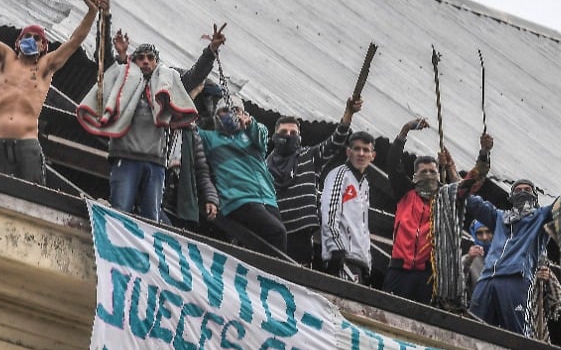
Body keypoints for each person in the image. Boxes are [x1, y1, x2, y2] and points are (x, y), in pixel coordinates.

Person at [0, 0, 104, 184]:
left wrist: (92, 12)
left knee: (34, 191)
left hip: (27, 141)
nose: (31, 40)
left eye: (36, 38)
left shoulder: (46, 66)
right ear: (18, 42)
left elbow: (75, 41)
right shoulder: (6, 58)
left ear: (43, 46)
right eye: (27, 36)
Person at [77, 28, 225, 221]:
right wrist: (120, 55)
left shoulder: (167, 85)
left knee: (151, 221)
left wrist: (211, 50)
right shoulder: (122, 81)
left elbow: (195, 76)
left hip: (156, 164)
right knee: (119, 212)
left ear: (156, 62)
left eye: (150, 58)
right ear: (134, 61)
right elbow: (106, 65)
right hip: (125, 158)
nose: (146, 61)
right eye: (141, 58)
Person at [381, 119, 492, 304]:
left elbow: (473, 180)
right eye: (423, 172)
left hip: (429, 275)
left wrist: (484, 152)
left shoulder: (446, 198)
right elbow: (393, 163)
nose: (429, 176)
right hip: (398, 271)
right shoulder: (406, 193)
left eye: (432, 172)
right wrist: (405, 129)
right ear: (415, 176)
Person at [266, 98, 360, 266]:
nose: (288, 136)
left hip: (301, 233)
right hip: (274, 233)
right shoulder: (265, 165)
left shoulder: (309, 156)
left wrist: (349, 113)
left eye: (293, 133)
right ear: (275, 136)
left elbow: (336, 141)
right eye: (284, 132)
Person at [197, 96, 287, 253]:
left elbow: (262, 134)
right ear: (217, 115)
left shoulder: (253, 136)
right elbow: (190, 129)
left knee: (272, 242)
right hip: (240, 199)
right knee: (277, 233)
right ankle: (275, 276)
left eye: (235, 110)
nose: (230, 114)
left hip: (268, 199)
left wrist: (250, 123)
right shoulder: (210, 138)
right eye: (224, 111)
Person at [465, 178, 555, 333]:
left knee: (516, 332)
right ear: (511, 197)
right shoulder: (499, 217)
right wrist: (453, 173)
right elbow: (473, 202)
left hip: (515, 278)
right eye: (518, 190)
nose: (522, 193)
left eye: (527, 190)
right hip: (487, 278)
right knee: (473, 327)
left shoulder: (541, 218)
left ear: (535, 196)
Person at [319, 131, 377, 283]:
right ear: (348, 151)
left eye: (366, 150)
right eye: (357, 149)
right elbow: (329, 212)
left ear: (373, 156)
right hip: (342, 258)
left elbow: (363, 228)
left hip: (360, 262)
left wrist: (368, 263)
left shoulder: (364, 185)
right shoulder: (340, 174)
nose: (361, 153)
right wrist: (337, 249)